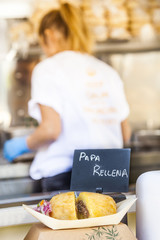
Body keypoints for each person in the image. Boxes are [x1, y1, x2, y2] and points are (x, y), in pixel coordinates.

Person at [3, 2, 131, 192]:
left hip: (66, 176)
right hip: (111, 173)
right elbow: (125, 134)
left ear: (49, 35)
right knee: (110, 222)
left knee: (70, 223)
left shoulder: (48, 68)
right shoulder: (107, 71)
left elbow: (51, 130)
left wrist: (23, 144)